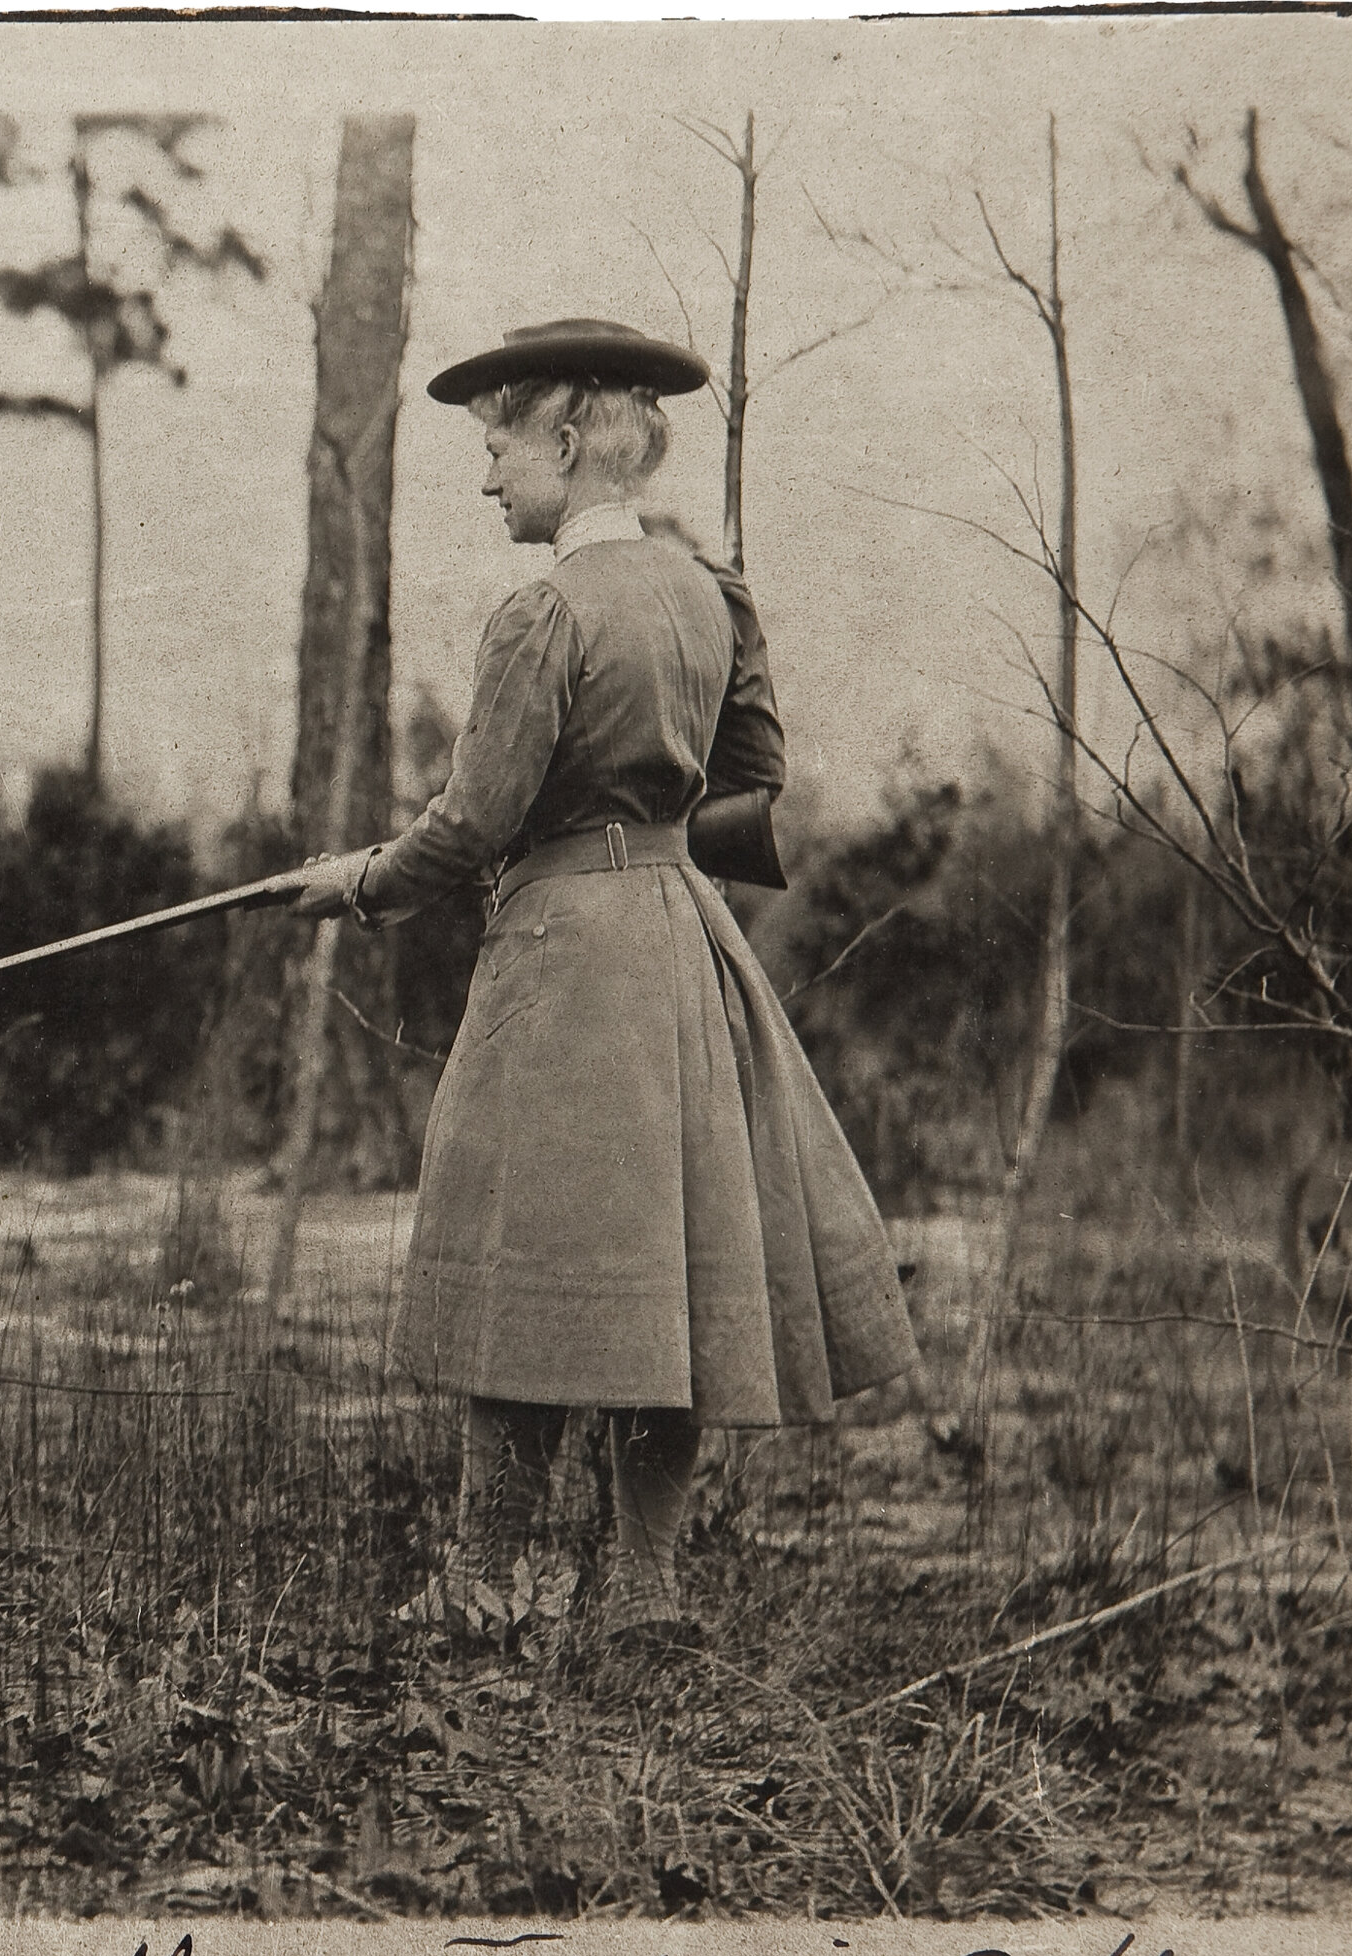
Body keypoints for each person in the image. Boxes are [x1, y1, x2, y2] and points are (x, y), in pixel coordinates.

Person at [290, 318, 917, 1647]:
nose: (488, 477)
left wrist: (356, 883)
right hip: (685, 950)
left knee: (528, 1263)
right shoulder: (709, 594)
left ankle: (480, 1581)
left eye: (500, 444)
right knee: (666, 1270)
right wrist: (661, 839)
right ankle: (641, 1589)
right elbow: (756, 777)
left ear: (568, 442)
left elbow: (468, 827)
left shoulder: (541, 614)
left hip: (564, 964)